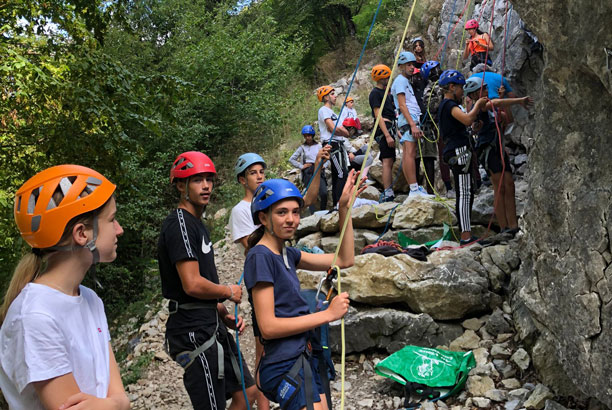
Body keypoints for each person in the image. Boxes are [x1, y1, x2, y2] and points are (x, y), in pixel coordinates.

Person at [0, 165, 130, 409]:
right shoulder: (35, 317)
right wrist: (116, 404)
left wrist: (114, 404)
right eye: (111, 220)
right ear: (81, 234)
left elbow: (121, 399)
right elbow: (119, 401)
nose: (119, 229)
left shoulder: (90, 299)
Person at [244, 172, 365, 410]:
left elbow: (344, 258)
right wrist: (328, 314)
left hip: (300, 355)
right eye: (281, 212)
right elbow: (268, 326)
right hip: (283, 362)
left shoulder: (288, 254)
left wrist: (344, 209)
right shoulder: (260, 257)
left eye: (295, 212)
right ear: (263, 218)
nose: (291, 219)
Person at [158, 151, 257, 410]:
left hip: (209, 321)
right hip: (192, 330)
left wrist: (223, 313)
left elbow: (198, 283)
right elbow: (191, 284)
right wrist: (227, 291)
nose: (206, 186)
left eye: (209, 180)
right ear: (181, 186)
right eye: (197, 180)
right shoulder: (179, 224)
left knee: (247, 392)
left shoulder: (196, 224)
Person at [463, 76, 533, 236]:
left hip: (498, 148)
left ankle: (513, 226)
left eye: (487, 88)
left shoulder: (487, 108)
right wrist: (519, 100)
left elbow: (507, 119)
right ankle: (503, 227)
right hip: (488, 150)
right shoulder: (479, 105)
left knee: (509, 184)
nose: (487, 91)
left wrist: (503, 101)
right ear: (474, 95)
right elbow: (495, 104)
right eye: (484, 89)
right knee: (499, 187)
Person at [436, 70, 488, 245]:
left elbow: (461, 127)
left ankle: (466, 233)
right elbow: (466, 119)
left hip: (457, 148)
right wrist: (478, 104)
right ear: (452, 87)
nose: (463, 92)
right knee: (464, 192)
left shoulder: (446, 106)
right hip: (458, 151)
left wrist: (473, 130)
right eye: (460, 88)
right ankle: (465, 235)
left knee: (465, 191)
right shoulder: (449, 105)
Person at [391, 51, 431, 198]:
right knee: (410, 153)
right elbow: (402, 105)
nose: (411, 67)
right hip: (408, 120)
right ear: (401, 66)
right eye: (408, 64)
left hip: (411, 119)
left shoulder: (405, 81)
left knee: (411, 153)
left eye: (412, 64)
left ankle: (414, 188)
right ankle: (414, 189)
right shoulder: (401, 81)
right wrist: (412, 125)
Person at [421, 60, 455, 198]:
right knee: (443, 154)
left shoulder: (444, 85)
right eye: (435, 69)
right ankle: (448, 186)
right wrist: (443, 96)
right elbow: (431, 107)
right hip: (438, 125)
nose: (438, 71)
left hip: (451, 121)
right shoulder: (429, 90)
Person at [317, 85, 352, 207]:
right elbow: (332, 128)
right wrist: (345, 132)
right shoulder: (323, 110)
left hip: (338, 144)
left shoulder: (332, 113)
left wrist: (343, 132)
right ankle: (338, 204)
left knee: (343, 173)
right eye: (332, 94)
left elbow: (339, 129)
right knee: (341, 173)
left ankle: (340, 202)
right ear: (325, 97)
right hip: (331, 144)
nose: (335, 96)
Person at [369, 63, 398, 202]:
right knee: (387, 160)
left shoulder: (387, 92)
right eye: (386, 77)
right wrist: (387, 135)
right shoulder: (375, 93)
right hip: (383, 128)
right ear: (381, 78)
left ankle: (389, 189)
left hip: (390, 126)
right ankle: (387, 191)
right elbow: (378, 115)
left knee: (390, 160)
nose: (388, 79)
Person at [410, 57, 438, 195]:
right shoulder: (409, 89)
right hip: (415, 125)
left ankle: (430, 190)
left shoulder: (426, 88)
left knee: (428, 158)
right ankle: (417, 189)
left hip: (426, 125)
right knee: (416, 158)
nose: (417, 78)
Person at [230, 153, 267, 253]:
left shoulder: (269, 202)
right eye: (253, 173)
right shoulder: (240, 210)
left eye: (261, 172)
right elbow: (253, 248)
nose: (259, 176)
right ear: (242, 180)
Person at [289, 126, 329, 212]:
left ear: (312, 135)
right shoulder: (302, 148)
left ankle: (323, 211)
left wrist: (324, 165)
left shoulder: (319, 146)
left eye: (309, 135)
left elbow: (327, 157)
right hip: (308, 171)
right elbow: (291, 159)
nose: (308, 137)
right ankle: (313, 214)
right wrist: (301, 166)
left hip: (318, 168)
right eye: (306, 136)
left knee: (323, 192)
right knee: (310, 194)